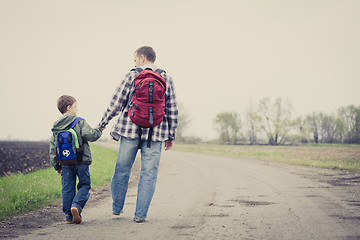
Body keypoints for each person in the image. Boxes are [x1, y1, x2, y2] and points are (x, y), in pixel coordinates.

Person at [98, 46, 178, 223]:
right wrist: (171, 135)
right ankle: (140, 215)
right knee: (149, 174)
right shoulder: (167, 79)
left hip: (129, 129)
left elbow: (116, 103)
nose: (134, 63)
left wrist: (103, 123)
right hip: (156, 133)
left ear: (142, 58)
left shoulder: (131, 76)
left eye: (134, 59)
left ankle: (117, 208)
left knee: (122, 169)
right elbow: (172, 109)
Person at [49, 95, 103, 224]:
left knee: (67, 188)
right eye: (75, 106)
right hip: (81, 161)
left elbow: (53, 148)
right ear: (69, 107)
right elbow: (90, 135)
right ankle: (76, 207)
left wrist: (57, 166)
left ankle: (69, 217)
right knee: (84, 185)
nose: (77, 109)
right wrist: (99, 130)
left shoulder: (56, 127)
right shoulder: (79, 122)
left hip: (65, 163)